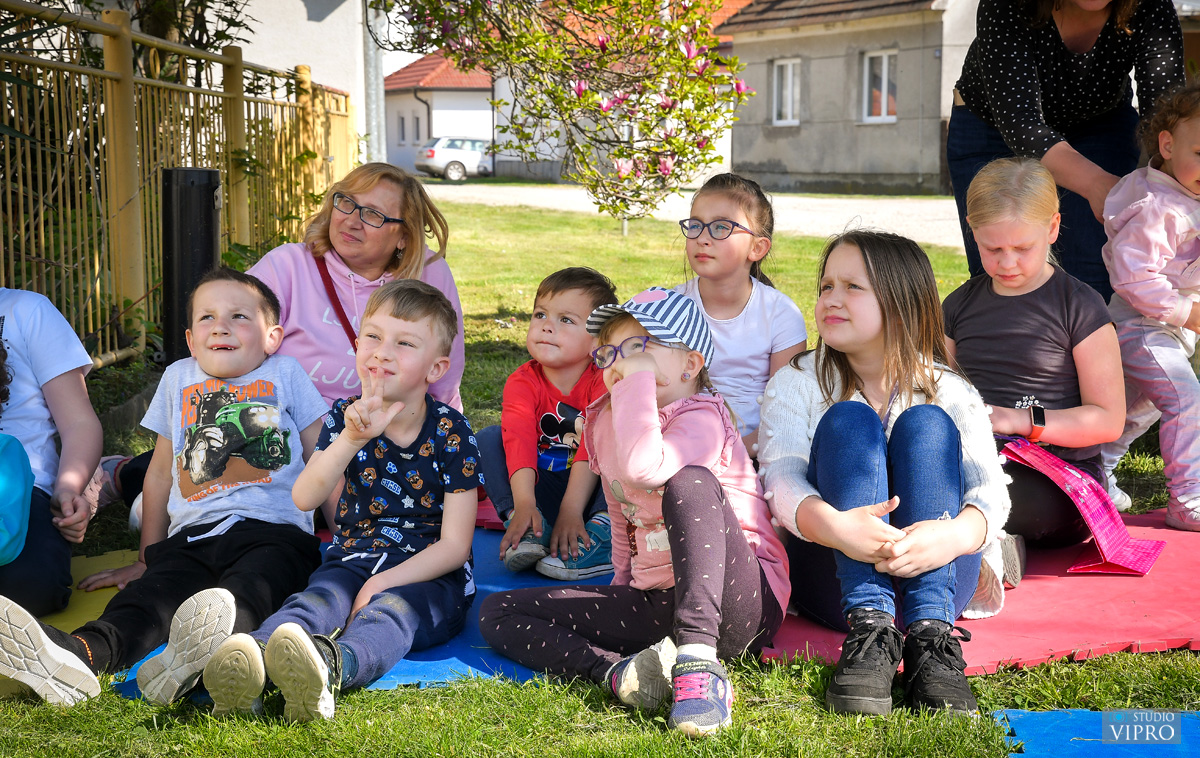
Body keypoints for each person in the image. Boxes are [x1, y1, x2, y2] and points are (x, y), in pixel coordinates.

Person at [0, 268, 327, 706]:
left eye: (239, 317)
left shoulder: (287, 375)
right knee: (144, 602)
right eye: (207, 318)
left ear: (272, 336)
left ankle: (209, 659)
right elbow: (158, 474)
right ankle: (76, 656)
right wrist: (145, 558)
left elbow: (323, 458)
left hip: (273, 533)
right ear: (191, 339)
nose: (222, 326)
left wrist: (348, 536)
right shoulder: (178, 378)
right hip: (190, 536)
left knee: (249, 591)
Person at [479, 288, 789, 738]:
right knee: (497, 611)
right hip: (658, 604)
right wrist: (621, 592)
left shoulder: (702, 416)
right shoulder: (606, 423)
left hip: (738, 606)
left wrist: (637, 381)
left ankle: (700, 669)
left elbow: (647, 468)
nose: (623, 363)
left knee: (690, 482)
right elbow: (623, 521)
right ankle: (621, 676)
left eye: (641, 348)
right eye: (611, 353)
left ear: (691, 364)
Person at [104, 162, 466, 527]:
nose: (352, 220)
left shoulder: (430, 275)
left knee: (404, 512)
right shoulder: (289, 265)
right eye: (345, 203)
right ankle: (129, 476)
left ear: (404, 235)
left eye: (372, 214)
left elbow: (445, 378)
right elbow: (229, 336)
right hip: (287, 436)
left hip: (386, 435)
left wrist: (444, 445)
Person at [203, 280, 482, 722]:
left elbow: (454, 547)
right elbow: (304, 496)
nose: (382, 352)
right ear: (356, 344)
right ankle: (251, 661)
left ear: (436, 368)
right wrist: (352, 439)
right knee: (314, 603)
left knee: (389, 616)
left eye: (404, 343)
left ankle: (331, 667)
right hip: (352, 557)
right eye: (372, 336)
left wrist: (380, 585)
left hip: (430, 575)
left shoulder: (452, 431)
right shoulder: (344, 418)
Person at [758, 231, 1011, 717]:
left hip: (937, 570)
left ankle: (932, 644)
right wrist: (839, 528)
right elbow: (781, 478)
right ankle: (870, 631)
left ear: (900, 303)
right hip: (835, 575)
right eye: (825, 285)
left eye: (852, 287)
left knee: (926, 424)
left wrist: (955, 535)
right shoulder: (797, 380)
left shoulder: (950, 388)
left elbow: (989, 492)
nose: (831, 299)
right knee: (848, 420)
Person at [943, 158, 1124, 552]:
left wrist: (1019, 421)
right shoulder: (958, 306)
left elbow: (1109, 420)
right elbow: (933, 387)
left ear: (1053, 228)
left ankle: (980, 546)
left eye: (1023, 248)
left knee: (1017, 502)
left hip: (1056, 475)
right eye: (993, 248)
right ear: (973, 232)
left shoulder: (1080, 306)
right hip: (974, 457)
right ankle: (983, 545)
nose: (1007, 263)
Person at [947, 0, 1184, 300]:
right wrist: (1097, 184)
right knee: (1001, 274)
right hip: (992, 127)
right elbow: (1022, 125)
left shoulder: (1150, 6)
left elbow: (1167, 120)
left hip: (1100, 126)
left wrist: (1177, 197)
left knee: (1092, 280)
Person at [1099, 81, 1200, 530]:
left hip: (1166, 328)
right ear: (1167, 144)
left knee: (1140, 407)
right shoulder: (1160, 206)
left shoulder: (1188, 194)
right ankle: (1188, 498)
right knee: (1186, 399)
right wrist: (1189, 312)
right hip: (1140, 325)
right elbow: (1134, 276)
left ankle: (1095, 470)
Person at [480, 267, 617, 581]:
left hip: (593, 491)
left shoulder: (605, 379)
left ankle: (602, 532)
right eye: (540, 315)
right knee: (488, 438)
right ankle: (528, 525)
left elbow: (590, 448)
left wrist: (572, 510)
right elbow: (518, 440)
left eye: (566, 320)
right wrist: (526, 502)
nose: (547, 327)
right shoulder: (522, 382)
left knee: (617, 441)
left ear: (598, 338)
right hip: (543, 489)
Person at [673, 173, 807, 454]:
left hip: (754, 454)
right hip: (677, 444)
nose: (702, 238)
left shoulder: (781, 315)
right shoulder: (671, 305)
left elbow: (783, 413)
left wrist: (732, 453)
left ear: (757, 248)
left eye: (721, 227)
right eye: (695, 225)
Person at [0, 288, 102, 616]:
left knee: (29, 588)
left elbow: (79, 423)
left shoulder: (26, 310)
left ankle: (101, 478)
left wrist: (67, 489)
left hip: (18, 484)